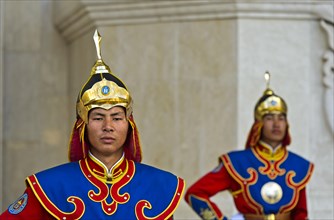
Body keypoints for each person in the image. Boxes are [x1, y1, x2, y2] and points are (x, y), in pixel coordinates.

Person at [0, 30, 185, 220]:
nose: (108, 125)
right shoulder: (50, 185)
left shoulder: (158, 185)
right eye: (98, 118)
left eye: (116, 117)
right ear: (82, 126)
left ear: (130, 124)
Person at [184, 72, 314, 220]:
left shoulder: (298, 165)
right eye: (269, 118)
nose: (277, 124)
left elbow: (301, 213)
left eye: (281, 118)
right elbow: (195, 194)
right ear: (258, 125)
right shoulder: (237, 162)